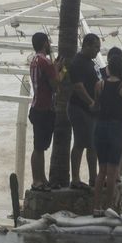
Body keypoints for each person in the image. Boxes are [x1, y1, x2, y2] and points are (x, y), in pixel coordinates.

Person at [92, 47, 122, 214]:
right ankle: (108, 207)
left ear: (109, 68)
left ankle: (96, 207)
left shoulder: (99, 85)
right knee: (112, 173)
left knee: (101, 171)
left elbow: (96, 107)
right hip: (116, 129)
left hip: (100, 129)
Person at [65, 32, 100, 190]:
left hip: (90, 110)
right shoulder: (77, 62)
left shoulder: (90, 62)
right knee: (80, 143)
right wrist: (91, 101)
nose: (97, 51)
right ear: (86, 45)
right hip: (79, 107)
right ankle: (76, 179)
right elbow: (78, 87)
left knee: (92, 144)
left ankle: (94, 178)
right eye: (95, 47)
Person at [27, 32, 60, 191]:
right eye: (49, 42)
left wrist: (55, 68)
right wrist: (61, 70)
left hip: (36, 106)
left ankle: (41, 179)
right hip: (44, 108)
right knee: (39, 147)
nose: (50, 45)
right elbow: (55, 84)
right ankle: (37, 181)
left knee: (39, 146)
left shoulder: (34, 60)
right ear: (44, 43)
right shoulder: (46, 62)